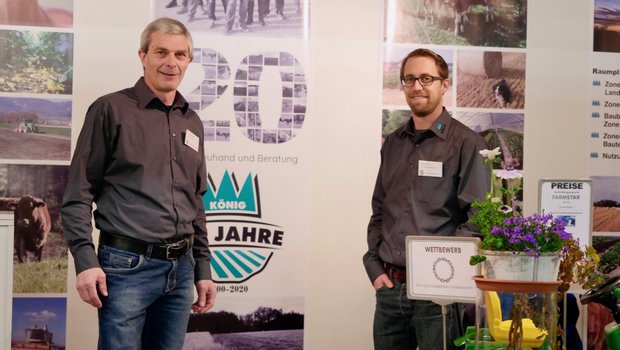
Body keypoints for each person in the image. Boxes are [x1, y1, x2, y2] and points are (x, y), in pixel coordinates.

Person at [61, 17, 216, 350]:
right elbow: (77, 194)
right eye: (161, 52)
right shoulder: (110, 110)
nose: (170, 62)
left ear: (189, 60)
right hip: (126, 266)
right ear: (143, 55)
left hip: (182, 269)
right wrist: (86, 263)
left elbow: (195, 200)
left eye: (179, 54)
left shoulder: (192, 121)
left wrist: (202, 266)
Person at [363, 48, 490, 350]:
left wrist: (437, 269)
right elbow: (380, 210)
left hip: (439, 295)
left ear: (444, 84)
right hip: (390, 291)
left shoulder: (468, 144)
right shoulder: (392, 144)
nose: (417, 86)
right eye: (409, 79)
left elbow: (478, 219)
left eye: (426, 78)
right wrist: (375, 268)